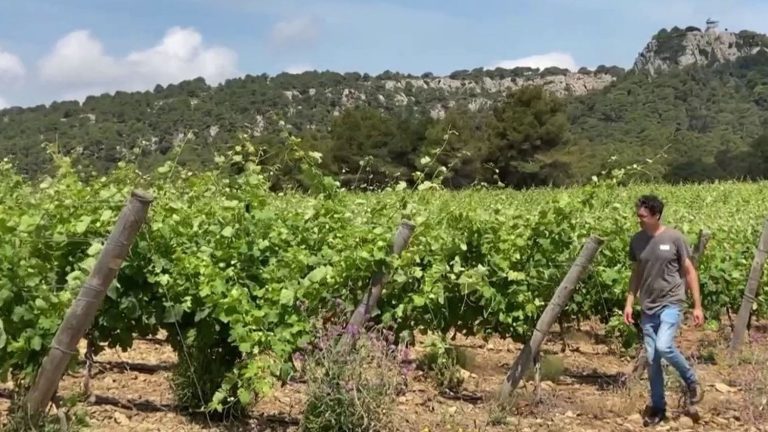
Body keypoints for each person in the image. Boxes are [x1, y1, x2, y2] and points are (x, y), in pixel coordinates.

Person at [623, 194, 705, 426]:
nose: (639, 219)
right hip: (648, 306)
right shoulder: (637, 240)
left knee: (663, 346)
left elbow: (689, 271)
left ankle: (691, 381)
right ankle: (658, 407)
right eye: (638, 215)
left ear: (656, 215)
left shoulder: (674, 238)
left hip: (671, 302)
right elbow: (636, 273)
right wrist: (630, 302)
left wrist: (697, 306)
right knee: (652, 358)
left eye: (643, 216)